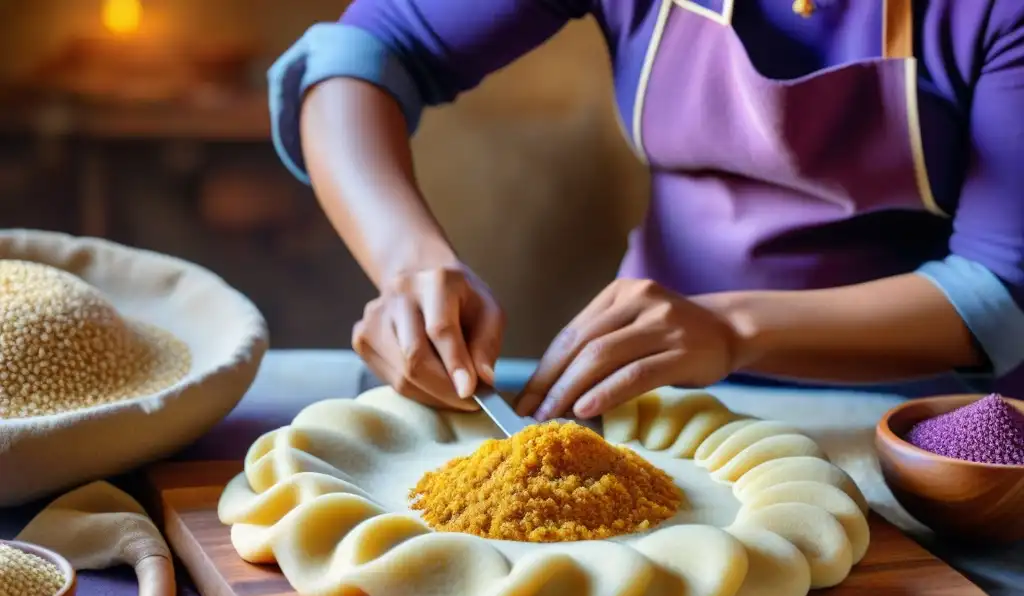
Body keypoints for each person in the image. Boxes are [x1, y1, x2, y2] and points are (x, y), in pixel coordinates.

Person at [267, 0, 1024, 420]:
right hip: (652, 389)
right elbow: (359, 58)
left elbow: (999, 295)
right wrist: (411, 264)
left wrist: (732, 330)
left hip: (926, 422)